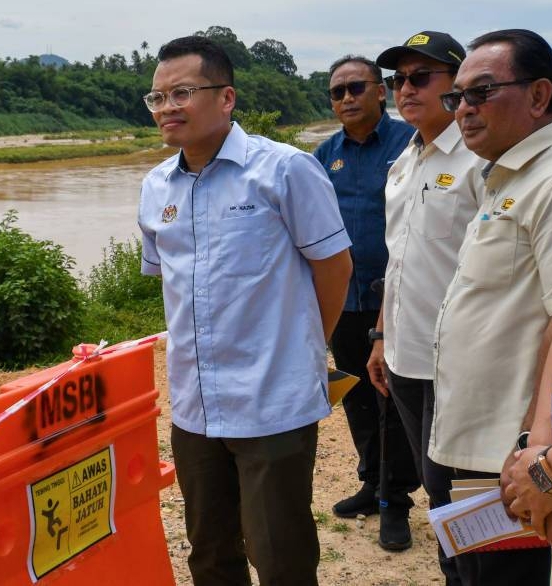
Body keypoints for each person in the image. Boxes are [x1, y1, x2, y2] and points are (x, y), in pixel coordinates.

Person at [138, 35, 353, 585]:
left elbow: (334, 269)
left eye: (182, 92)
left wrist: (303, 354)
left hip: (272, 402)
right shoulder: (155, 186)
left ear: (226, 97)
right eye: (157, 98)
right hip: (194, 405)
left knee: (280, 554)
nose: (168, 108)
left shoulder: (284, 171)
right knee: (209, 551)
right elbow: (173, 287)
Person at [429, 29, 552, 583]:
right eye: (456, 97)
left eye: (482, 92)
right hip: (470, 438)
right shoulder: (507, 176)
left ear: (538, 95)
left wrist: (539, 452)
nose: (464, 110)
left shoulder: (550, 181)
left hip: (507, 459)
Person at [365, 31, 482, 582]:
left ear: (456, 86)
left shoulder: (479, 161)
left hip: (463, 365)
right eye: (396, 80)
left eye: (419, 77)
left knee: (473, 496)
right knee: (438, 490)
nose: (403, 89)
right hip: (408, 361)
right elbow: (400, 261)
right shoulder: (403, 164)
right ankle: (452, 573)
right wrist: (382, 336)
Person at [313, 55, 419, 550]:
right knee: (354, 392)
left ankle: (395, 501)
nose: (347, 98)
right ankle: (372, 482)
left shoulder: (411, 145)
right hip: (343, 298)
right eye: (337, 92)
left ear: (382, 92)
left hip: (398, 298)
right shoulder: (323, 156)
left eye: (357, 88)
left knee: (394, 397)